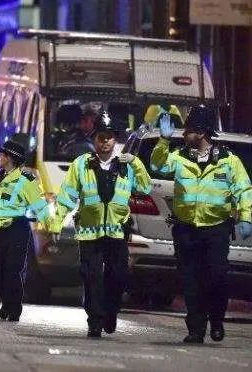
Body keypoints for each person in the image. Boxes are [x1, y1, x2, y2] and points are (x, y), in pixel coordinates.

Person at [152, 105, 252, 344]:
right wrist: (163, 141)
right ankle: (196, 329)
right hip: (186, 228)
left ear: (202, 132)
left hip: (216, 229)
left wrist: (245, 217)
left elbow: (244, 189)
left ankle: (216, 320)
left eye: (188, 130)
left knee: (217, 277)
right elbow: (157, 165)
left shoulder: (228, 160)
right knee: (191, 281)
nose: (184, 134)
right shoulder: (179, 156)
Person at [51, 111, 152, 337]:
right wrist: (57, 221)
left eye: (109, 137)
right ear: (93, 140)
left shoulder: (126, 165)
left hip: (117, 232)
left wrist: (136, 163)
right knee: (92, 277)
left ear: (115, 140)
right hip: (89, 232)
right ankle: (95, 321)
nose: (105, 141)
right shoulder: (82, 164)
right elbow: (67, 195)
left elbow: (145, 188)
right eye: (100, 137)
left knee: (119, 277)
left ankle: (111, 312)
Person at [0, 138, 53, 322]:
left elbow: (39, 205)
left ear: (10, 158)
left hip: (17, 228)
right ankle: (6, 302)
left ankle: (14, 309)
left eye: (3, 154)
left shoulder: (25, 180)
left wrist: (52, 226)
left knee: (13, 270)